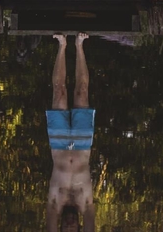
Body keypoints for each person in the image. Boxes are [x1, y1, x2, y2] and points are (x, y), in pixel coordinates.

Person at [46, 33, 95, 231]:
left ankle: (62, 45)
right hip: (82, 143)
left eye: (65, 228)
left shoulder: (55, 203)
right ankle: (80, 45)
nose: (69, 223)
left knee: (59, 92)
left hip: (58, 143)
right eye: (73, 228)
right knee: (82, 91)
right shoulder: (86, 204)